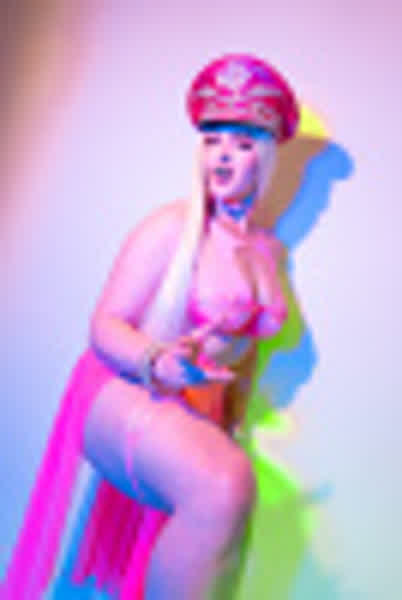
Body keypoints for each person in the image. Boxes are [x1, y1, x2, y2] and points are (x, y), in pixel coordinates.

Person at [1, 53, 299, 600]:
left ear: (265, 155)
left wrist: (230, 418)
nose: (222, 156)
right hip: (122, 382)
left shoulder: (267, 251)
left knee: (231, 500)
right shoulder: (171, 227)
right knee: (224, 484)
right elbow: (104, 324)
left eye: (240, 143)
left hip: (194, 402)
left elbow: (245, 352)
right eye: (212, 141)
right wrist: (156, 361)